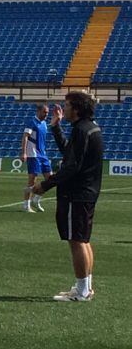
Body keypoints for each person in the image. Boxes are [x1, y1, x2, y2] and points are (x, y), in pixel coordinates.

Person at [32, 92, 103, 302]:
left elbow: (72, 165)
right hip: (85, 192)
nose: (65, 108)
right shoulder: (88, 128)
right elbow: (69, 154)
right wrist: (56, 127)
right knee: (83, 239)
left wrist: (45, 185)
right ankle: (85, 287)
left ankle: (82, 291)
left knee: (77, 241)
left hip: (77, 193)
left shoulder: (82, 130)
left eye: (67, 105)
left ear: (77, 108)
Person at [21, 104, 52, 213]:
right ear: (38, 111)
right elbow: (25, 137)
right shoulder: (32, 122)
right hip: (33, 154)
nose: (46, 115)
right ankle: (26, 205)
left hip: (43, 155)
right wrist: (24, 153)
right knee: (32, 180)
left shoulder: (44, 124)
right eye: (45, 112)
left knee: (50, 179)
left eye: (47, 112)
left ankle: (36, 199)